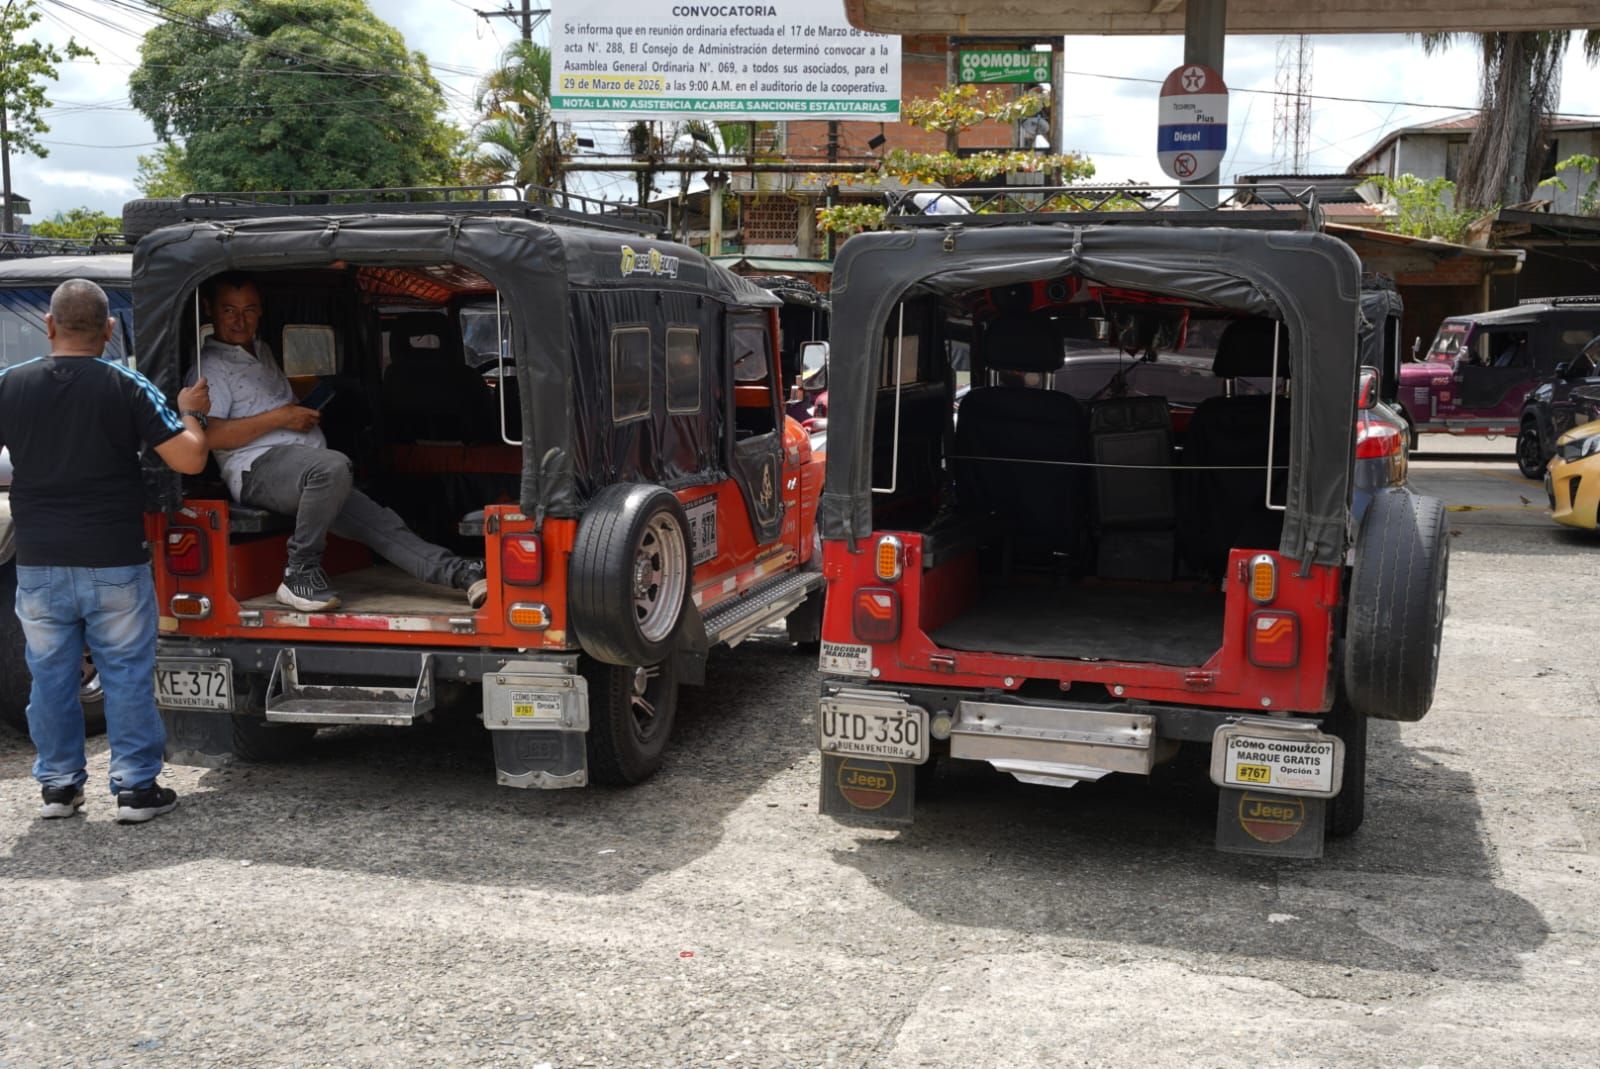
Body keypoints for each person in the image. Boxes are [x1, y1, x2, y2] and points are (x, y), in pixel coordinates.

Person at [0, 279, 211, 823]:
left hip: (39, 561)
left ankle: (58, 788)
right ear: (110, 330)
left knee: (49, 676)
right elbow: (189, 460)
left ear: (48, 325)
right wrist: (191, 414)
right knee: (124, 675)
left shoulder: (10, 384)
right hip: (114, 558)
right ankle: (136, 791)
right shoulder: (127, 385)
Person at [191, 272, 487, 612]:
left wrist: (304, 410)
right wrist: (282, 418)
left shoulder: (261, 350)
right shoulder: (211, 366)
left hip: (306, 467)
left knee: (384, 525)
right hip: (257, 470)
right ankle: (299, 571)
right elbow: (208, 435)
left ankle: (462, 574)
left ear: (260, 312)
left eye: (249, 310)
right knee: (332, 466)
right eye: (229, 310)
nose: (240, 320)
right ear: (209, 310)